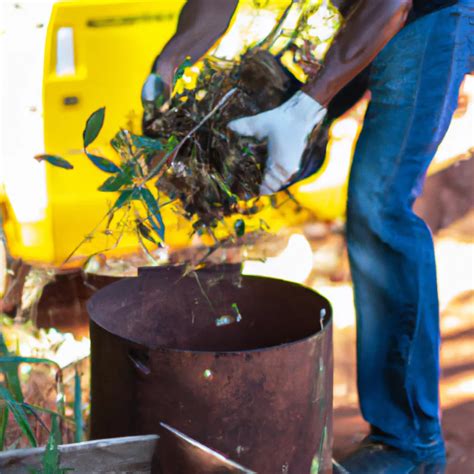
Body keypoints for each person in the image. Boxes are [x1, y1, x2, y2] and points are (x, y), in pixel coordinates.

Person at [142, 1, 473, 472]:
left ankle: (411, 445)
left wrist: (306, 107)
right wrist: (172, 59)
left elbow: (392, 5)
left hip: (426, 12)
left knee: (379, 205)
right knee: (262, 114)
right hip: (360, 12)